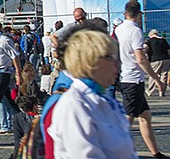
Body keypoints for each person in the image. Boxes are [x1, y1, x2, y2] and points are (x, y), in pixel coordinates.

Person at [47, 28, 138, 158]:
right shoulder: (74, 105)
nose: (117, 64)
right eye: (111, 57)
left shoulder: (105, 100)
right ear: (91, 61)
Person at [114, 0, 168, 158]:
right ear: (139, 14)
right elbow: (141, 59)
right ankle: (116, 152)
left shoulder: (119, 29)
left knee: (145, 116)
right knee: (127, 120)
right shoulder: (135, 31)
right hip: (133, 78)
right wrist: (156, 79)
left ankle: (156, 152)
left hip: (126, 75)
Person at [145, 29, 170, 96]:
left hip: (155, 59)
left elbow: (145, 48)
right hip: (166, 59)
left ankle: (150, 91)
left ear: (151, 34)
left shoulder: (149, 40)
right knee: (164, 75)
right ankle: (162, 91)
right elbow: (168, 50)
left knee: (153, 74)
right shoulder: (163, 40)